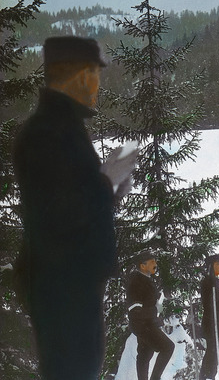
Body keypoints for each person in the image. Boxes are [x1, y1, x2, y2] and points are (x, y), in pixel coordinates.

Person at [12, 37, 137, 379]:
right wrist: (106, 182)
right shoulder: (45, 135)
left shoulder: (60, 129)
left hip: (72, 287)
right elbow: (61, 214)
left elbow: (72, 202)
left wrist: (111, 191)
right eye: (96, 74)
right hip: (62, 291)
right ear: (81, 76)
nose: (98, 85)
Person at [127, 251, 175, 380]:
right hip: (142, 325)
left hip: (146, 324)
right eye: (152, 261)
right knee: (168, 347)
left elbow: (148, 304)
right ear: (143, 266)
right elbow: (135, 310)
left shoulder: (146, 281)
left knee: (145, 355)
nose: (156, 264)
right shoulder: (136, 282)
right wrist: (154, 310)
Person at [200, 254, 219, 380]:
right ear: (211, 266)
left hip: (218, 323)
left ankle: (208, 377)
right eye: (218, 264)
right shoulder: (208, 281)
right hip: (212, 322)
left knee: (215, 353)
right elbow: (209, 303)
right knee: (213, 353)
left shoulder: (215, 282)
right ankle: (206, 377)